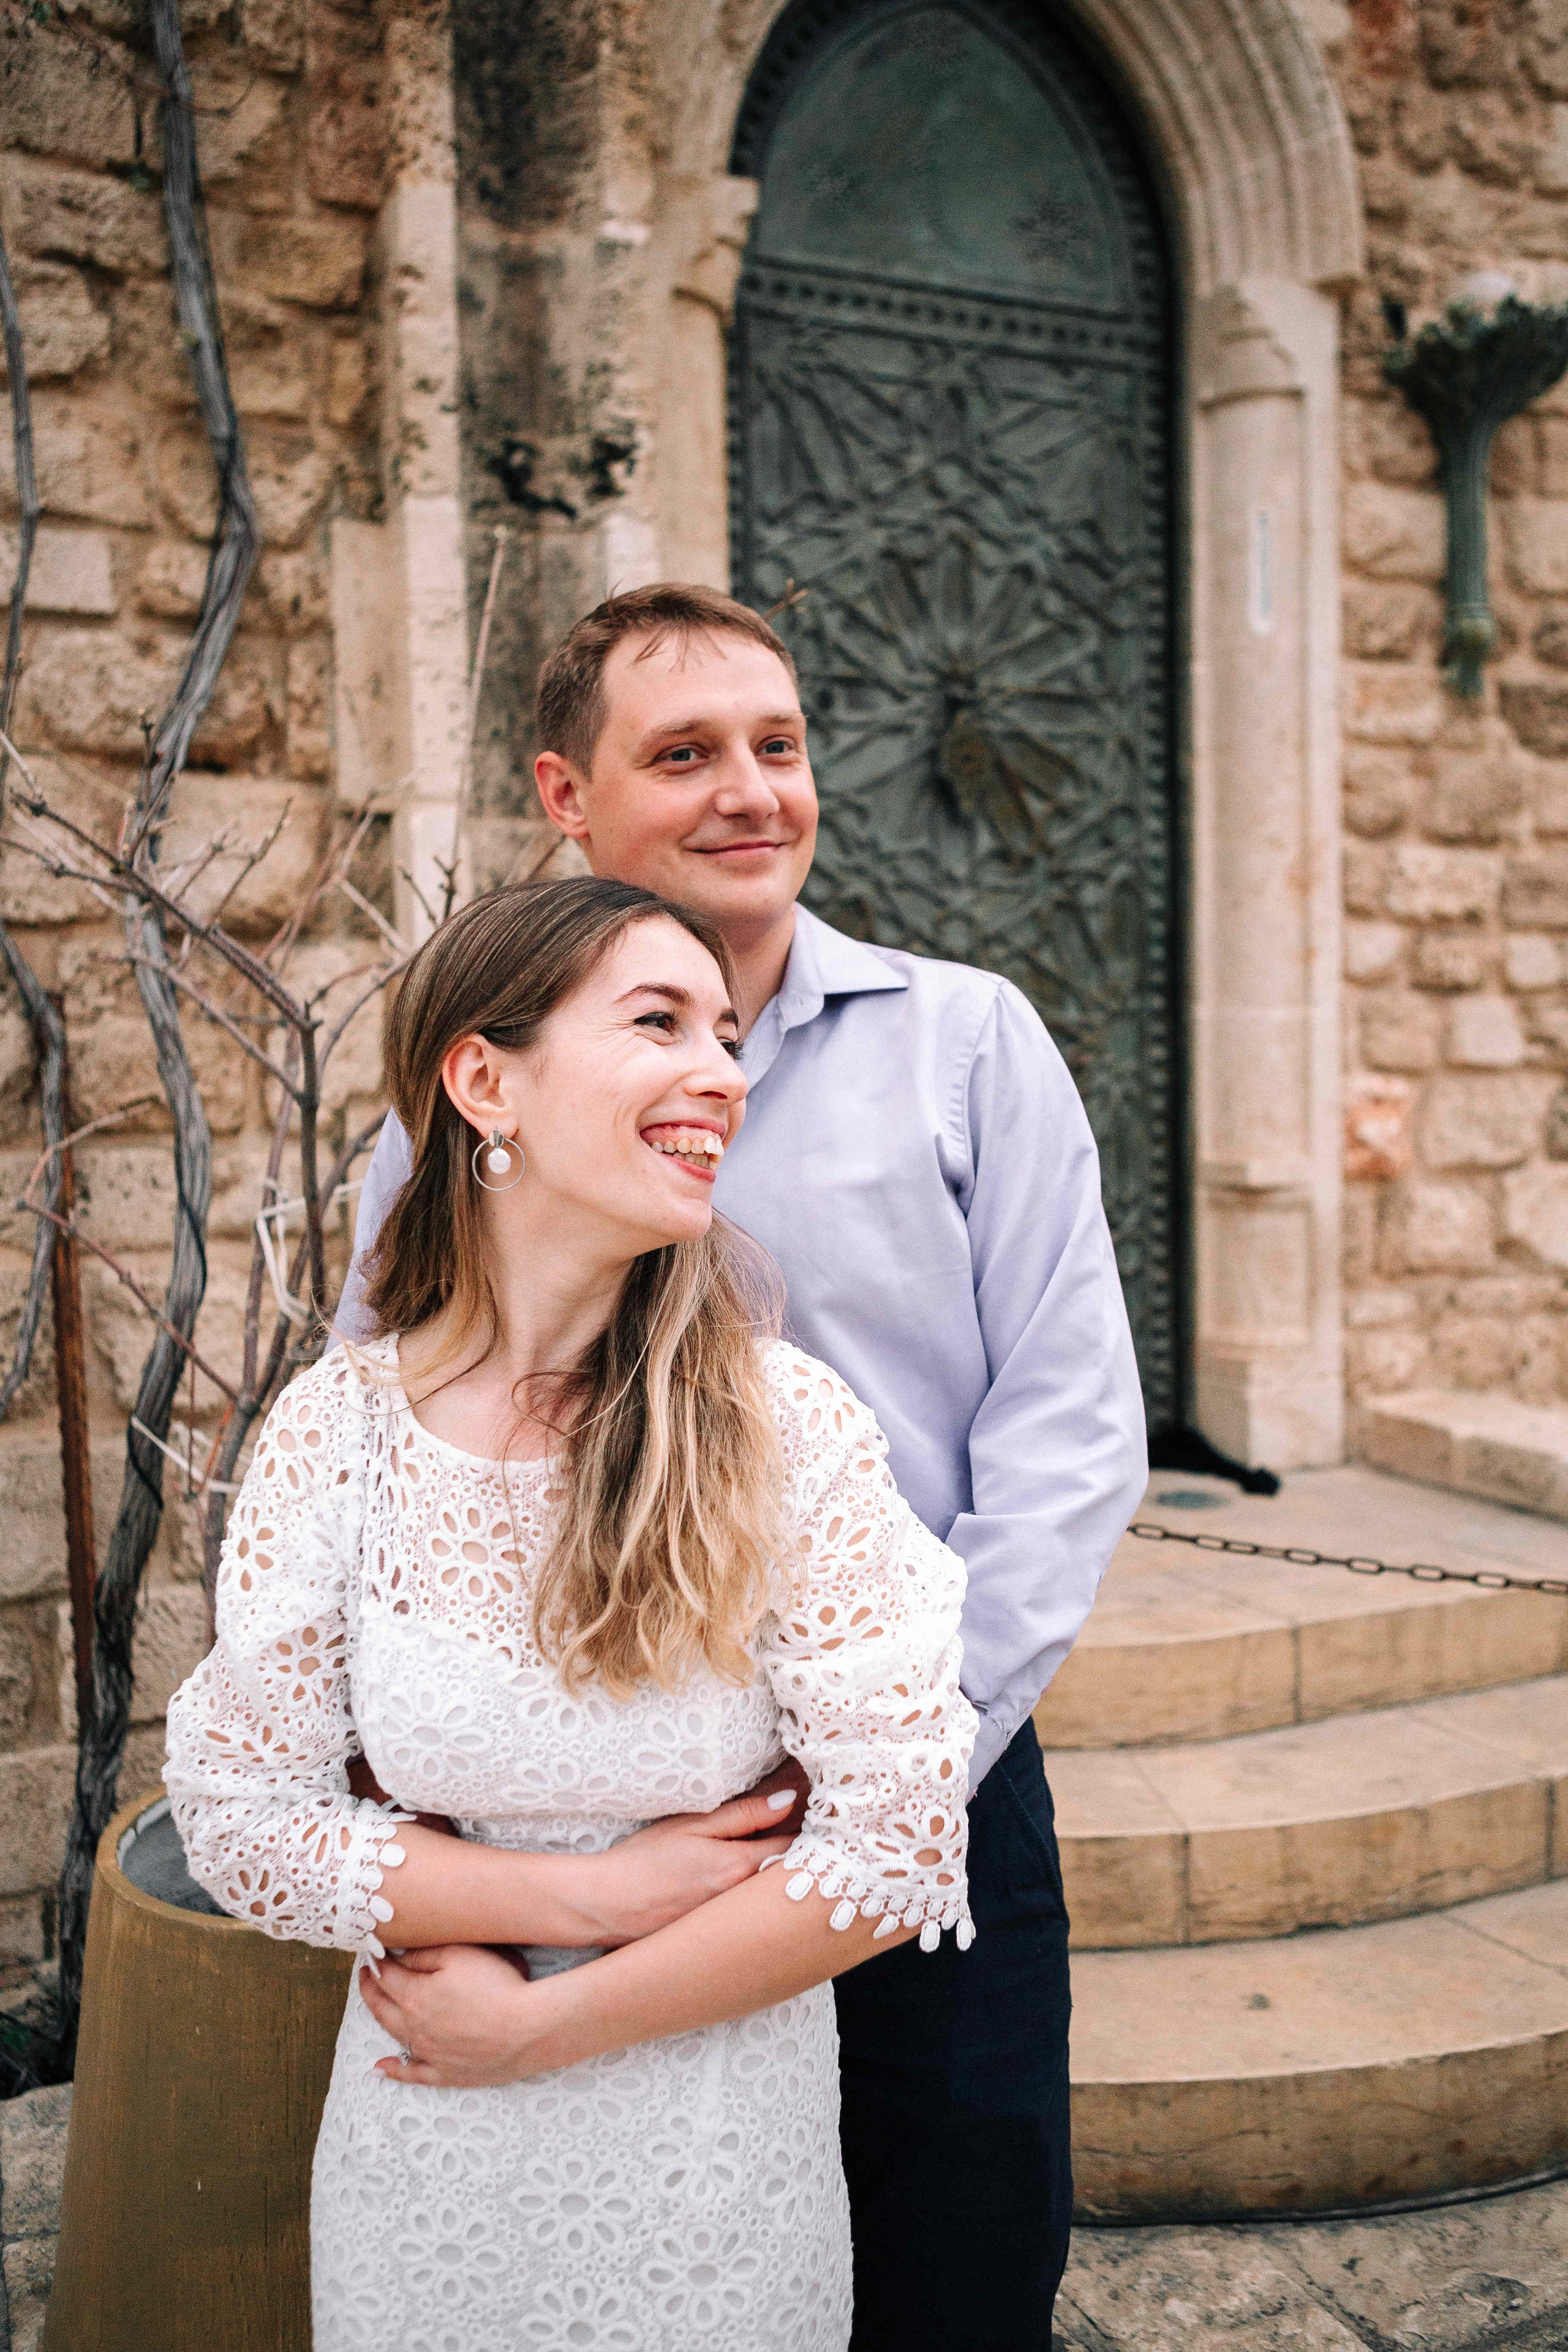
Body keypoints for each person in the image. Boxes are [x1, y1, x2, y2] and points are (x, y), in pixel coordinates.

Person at [337, 585, 1148, 2349]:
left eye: (775, 747)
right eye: (686, 753)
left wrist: (904, 1761)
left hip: (930, 1776)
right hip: (581, 1805)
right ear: (566, 793)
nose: (751, 792)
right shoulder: (466, 1100)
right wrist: (439, 1838)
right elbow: (380, 1445)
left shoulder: (967, 1042)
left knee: (961, 2260)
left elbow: (1072, 1431)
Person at [166, 877, 976, 2351]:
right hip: (426, 2164)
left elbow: (901, 1840)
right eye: (658, 1022)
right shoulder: (334, 1433)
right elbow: (237, 1815)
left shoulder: (779, 1427)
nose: (721, 1074)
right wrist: (579, 1902)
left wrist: (546, 2025)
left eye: (727, 1036)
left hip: (710, 2179)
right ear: (486, 1082)